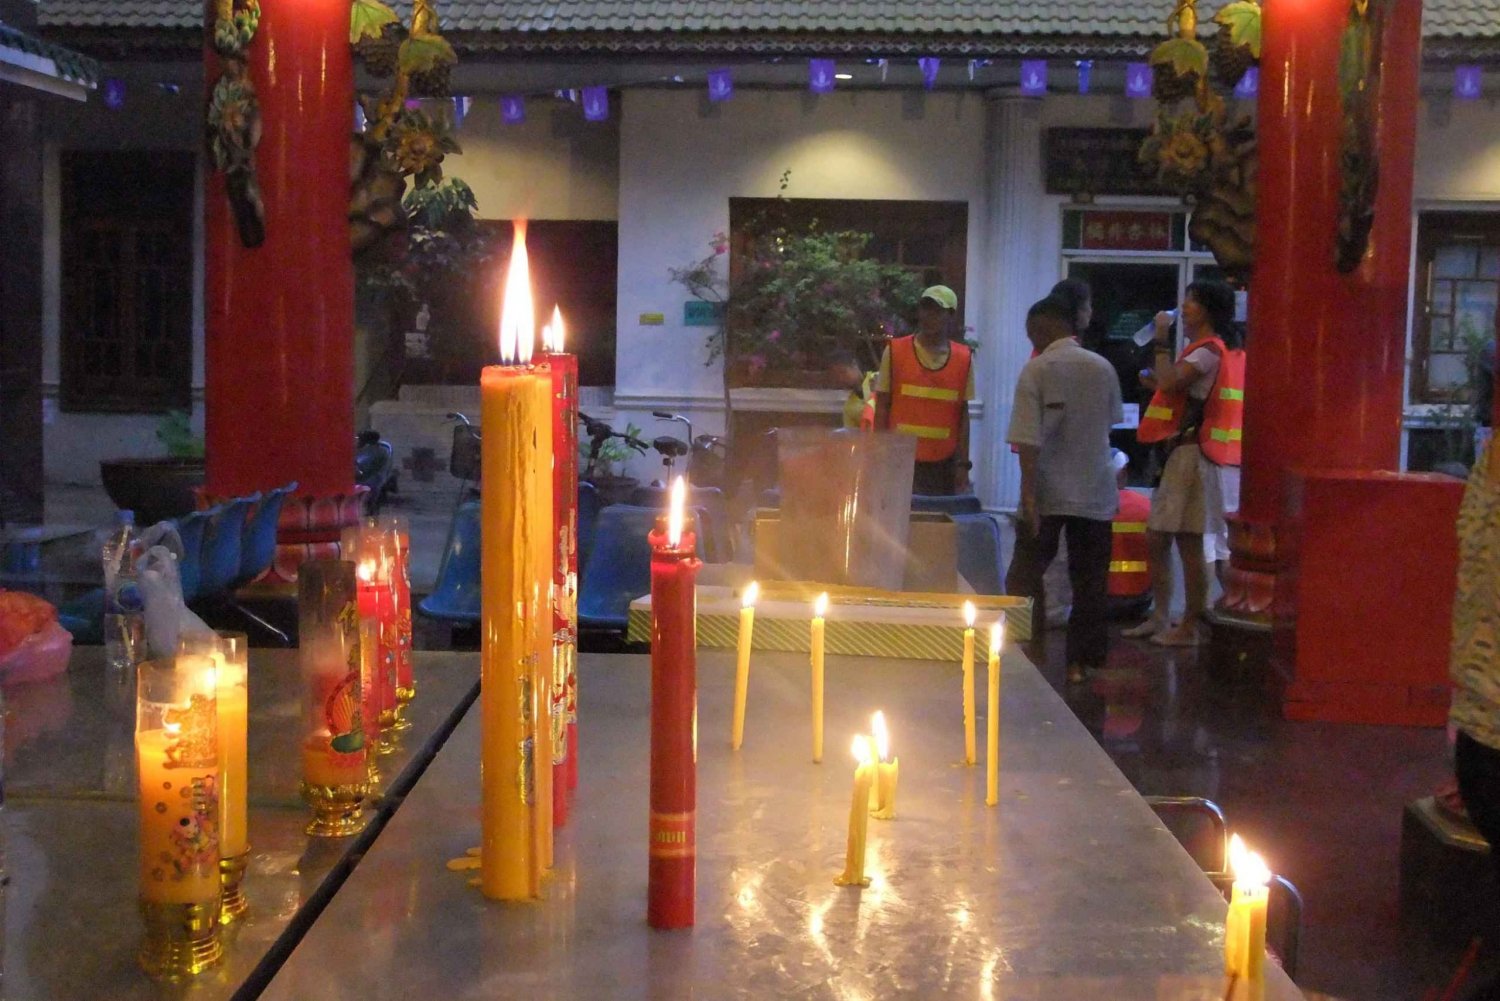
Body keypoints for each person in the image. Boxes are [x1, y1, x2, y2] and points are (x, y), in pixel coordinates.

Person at [1006, 295, 1123, 685]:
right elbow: (1110, 422)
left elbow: (1027, 440)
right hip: (1095, 489)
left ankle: (1028, 648)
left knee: (1026, 573)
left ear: (1041, 327)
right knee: (1090, 579)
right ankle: (1082, 663)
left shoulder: (1037, 371)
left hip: (1048, 489)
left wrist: (1028, 495)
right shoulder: (1103, 368)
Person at [1125, 280, 1245, 647]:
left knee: (1181, 539)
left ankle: (1187, 625)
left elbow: (1171, 380)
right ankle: (1166, 618)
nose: (1184, 308)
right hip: (1182, 453)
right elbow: (1172, 386)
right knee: (1168, 538)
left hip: (1193, 455)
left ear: (1206, 310)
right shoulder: (1202, 350)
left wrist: (1161, 337)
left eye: (1190, 302)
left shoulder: (1208, 351)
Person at [875, 285, 975, 495]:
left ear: (950, 316)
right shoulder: (895, 351)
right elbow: (882, 405)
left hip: (943, 462)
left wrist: (962, 465)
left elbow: (963, 414)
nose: (930, 316)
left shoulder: (963, 358)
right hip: (898, 457)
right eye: (926, 309)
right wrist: (879, 453)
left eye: (938, 311)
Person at [830, 350, 876, 431]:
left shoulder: (877, 379)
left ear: (854, 365)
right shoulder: (849, 408)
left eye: (843, 372)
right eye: (837, 375)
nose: (841, 379)